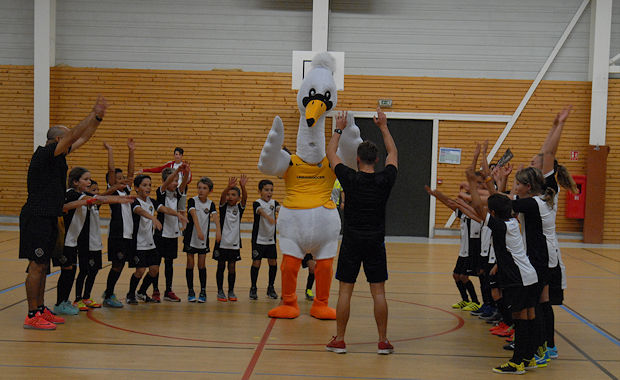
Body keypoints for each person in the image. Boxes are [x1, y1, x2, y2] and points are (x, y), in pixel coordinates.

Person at [20, 95, 108, 330]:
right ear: (58, 139)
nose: (71, 140)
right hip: (36, 217)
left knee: (44, 265)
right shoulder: (43, 154)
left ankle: (40, 309)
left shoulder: (59, 157)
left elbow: (84, 137)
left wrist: (97, 118)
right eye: (66, 136)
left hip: (50, 217)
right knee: (36, 266)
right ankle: (31, 314)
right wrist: (91, 112)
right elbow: (75, 134)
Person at [325, 108, 398, 355]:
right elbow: (393, 153)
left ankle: (340, 340)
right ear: (376, 160)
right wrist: (383, 126)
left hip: (352, 241)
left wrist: (339, 128)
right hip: (375, 241)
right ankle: (383, 341)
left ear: (357, 159)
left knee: (346, 289)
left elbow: (330, 153)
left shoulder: (349, 178)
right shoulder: (385, 179)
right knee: (378, 291)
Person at [463, 168, 539, 375]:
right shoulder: (512, 222)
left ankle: (517, 362)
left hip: (518, 279)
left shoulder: (500, 226)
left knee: (520, 318)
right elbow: (483, 208)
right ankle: (528, 357)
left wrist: (472, 183)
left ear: (493, 213)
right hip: (530, 275)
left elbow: (478, 206)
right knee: (529, 316)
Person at [126, 174, 187, 304]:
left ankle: (141, 291)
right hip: (138, 243)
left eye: (149, 185)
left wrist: (178, 215)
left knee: (154, 269)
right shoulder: (134, 201)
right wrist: (153, 218)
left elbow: (164, 209)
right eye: (144, 185)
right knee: (140, 270)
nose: (148, 187)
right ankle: (130, 294)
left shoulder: (151, 201)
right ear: (136, 188)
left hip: (150, 243)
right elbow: (139, 211)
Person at [101, 138, 136, 307]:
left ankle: (109, 292)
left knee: (120, 265)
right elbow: (111, 169)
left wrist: (131, 151)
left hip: (128, 233)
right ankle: (108, 294)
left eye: (123, 178)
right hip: (117, 233)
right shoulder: (112, 194)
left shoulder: (127, 191)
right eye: (118, 178)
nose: (123, 180)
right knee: (116, 265)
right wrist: (110, 150)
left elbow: (131, 173)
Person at [148, 165, 190, 302]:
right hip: (161, 233)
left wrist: (186, 172)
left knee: (169, 263)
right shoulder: (161, 192)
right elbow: (167, 183)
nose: (175, 182)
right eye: (173, 180)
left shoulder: (177, 193)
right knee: (156, 263)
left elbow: (183, 184)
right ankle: (155, 290)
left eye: (176, 180)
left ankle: (168, 290)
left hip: (173, 233)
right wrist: (177, 171)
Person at [183, 177, 221, 302]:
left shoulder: (211, 204)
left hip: (203, 239)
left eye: (204, 188)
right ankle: (190, 291)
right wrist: (199, 230)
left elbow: (215, 217)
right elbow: (193, 215)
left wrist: (218, 231)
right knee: (190, 264)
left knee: (201, 265)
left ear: (210, 190)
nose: (201, 190)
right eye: (199, 188)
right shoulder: (192, 201)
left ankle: (203, 291)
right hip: (191, 237)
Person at [213, 175, 248, 302]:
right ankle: (220, 291)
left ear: (238, 198)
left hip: (234, 243)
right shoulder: (223, 208)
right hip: (221, 242)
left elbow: (245, 199)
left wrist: (243, 187)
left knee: (232, 267)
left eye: (233, 195)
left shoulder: (239, 208)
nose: (230, 197)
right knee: (221, 266)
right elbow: (221, 198)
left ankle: (231, 290)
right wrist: (227, 187)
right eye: (229, 194)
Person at [249, 179, 280, 300]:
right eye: (266, 190)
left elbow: (279, 209)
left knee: (273, 262)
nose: (269, 192)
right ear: (260, 191)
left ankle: (270, 287)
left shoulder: (274, 202)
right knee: (256, 262)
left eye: (271, 190)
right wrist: (269, 217)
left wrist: (283, 214)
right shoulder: (257, 203)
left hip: (270, 240)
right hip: (258, 239)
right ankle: (253, 288)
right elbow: (260, 212)